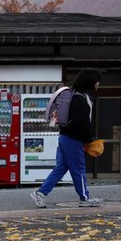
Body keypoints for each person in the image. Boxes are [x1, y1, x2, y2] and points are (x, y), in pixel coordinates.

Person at [30, 68, 103, 208]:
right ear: (91, 81)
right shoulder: (81, 99)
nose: (99, 84)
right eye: (97, 81)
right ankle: (85, 198)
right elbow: (82, 123)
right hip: (73, 139)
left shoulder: (74, 95)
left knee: (61, 168)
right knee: (79, 169)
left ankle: (40, 193)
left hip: (64, 137)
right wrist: (89, 140)